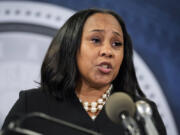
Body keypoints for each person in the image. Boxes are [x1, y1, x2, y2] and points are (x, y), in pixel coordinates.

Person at [1, 8, 166, 135]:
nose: (108, 51)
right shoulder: (33, 105)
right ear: (71, 46)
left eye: (116, 44)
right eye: (96, 40)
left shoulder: (142, 113)